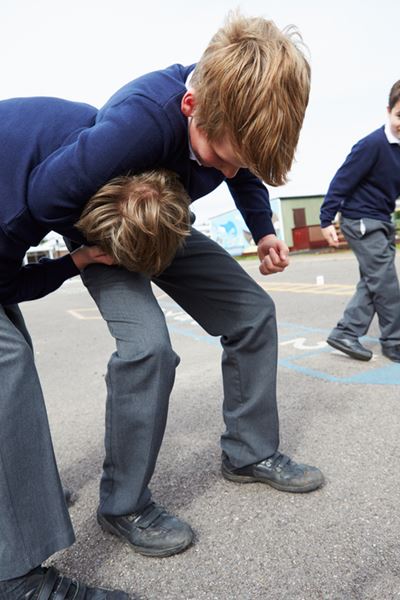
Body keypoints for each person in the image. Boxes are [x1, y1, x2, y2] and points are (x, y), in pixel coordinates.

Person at [2, 12, 325, 599]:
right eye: (219, 158)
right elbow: (46, 196)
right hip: (108, 224)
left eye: (237, 163)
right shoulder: (138, 121)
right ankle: (123, 504)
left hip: (162, 216)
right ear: (191, 106)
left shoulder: (232, 122)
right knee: (148, 346)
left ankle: (250, 451)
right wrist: (93, 253)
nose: (226, 172)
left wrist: (263, 228)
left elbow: (245, 163)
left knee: (252, 311)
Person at [0, 168, 190, 599]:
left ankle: (22, 493)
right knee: (7, 363)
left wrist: (81, 258)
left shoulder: (96, 161)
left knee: (13, 341)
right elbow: (6, 281)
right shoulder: (39, 198)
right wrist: (74, 261)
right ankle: (15, 581)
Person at [320, 80, 400, 363]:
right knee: (387, 284)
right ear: (388, 110)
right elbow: (341, 181)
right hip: (361, 220)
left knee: (374, 280)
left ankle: (346, 332)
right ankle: (394, 342)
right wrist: (326, 219)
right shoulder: (372, 145)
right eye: (399, 116)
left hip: (381, 220)